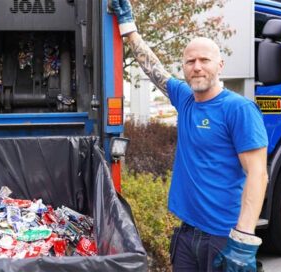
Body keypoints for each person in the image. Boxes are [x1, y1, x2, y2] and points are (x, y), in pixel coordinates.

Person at [112, 0, 269, 271]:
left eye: (204, 60)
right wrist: (128, 25)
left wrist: (243, 241)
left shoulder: (238, 109)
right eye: (190, 61)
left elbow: (258, 174)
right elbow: (153, 68)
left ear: (219, 65)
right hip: (186, 235)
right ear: (183, 67)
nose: (197, 67)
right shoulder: (184, 98)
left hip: (224, 237)